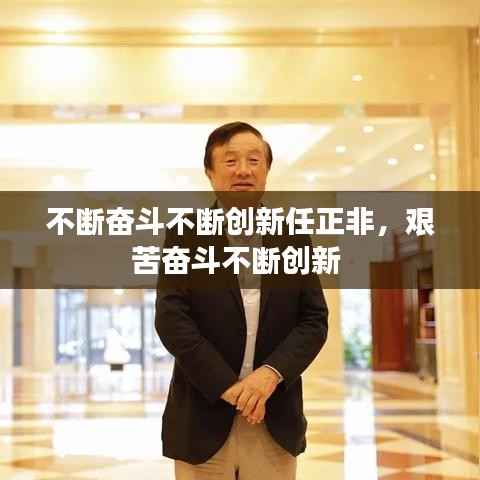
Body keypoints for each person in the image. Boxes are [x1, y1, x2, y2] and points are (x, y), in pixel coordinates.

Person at [155, 121, 329, 479]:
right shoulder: (185, 235)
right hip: (201, 417)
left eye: (254, 160)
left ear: (266, 170)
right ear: (210, 172)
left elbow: (314, 320)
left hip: (274, 416)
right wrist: (229, 388)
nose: (244, 170)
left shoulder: (292, 237)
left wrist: (269, 375)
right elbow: (172, 320)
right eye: (231, 160)